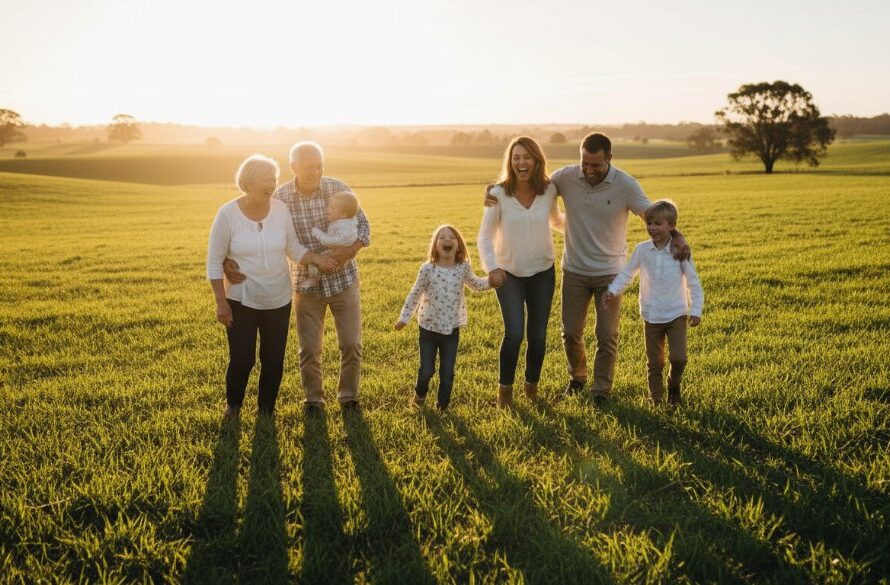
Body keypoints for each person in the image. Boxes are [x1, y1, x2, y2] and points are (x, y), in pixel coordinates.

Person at [485, 132, 689, 406]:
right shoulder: (565, 178)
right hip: (575, 271)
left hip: (610, 273)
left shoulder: (626, 185)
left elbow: (653, 216)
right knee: (570, 333)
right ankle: (578, 378)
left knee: (606, 335)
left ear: (609, 159)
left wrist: (677, 236)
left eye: (596, 165)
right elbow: (531, 181)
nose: (589, 170)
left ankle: (601, 390)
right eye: (585, 164)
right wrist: (493, 189)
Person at [224, 142, 371, 410]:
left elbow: (364, 225)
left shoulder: (338, 188)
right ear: (293, 168)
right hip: (306, 284)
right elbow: (257, 229)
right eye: (308, 167)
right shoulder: (280, 199)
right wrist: (227, 258)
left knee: (350, 343)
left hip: (343, 281)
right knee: (310, 349)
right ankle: (313, 400)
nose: (315, 171)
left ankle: (349, 397)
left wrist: (350, 250)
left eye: (319, 165)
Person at [207, 154, 336, 417]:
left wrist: (317, 259)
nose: (273, 184)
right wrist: (221, 303)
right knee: (242, 358)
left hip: (278, 297)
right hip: (241, 298)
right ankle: (233, 406)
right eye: (268, 179)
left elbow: (292, 247)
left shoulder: (280, 209)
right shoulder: (228, 214)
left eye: (275, 179)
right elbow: (214, 260)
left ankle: (266, 410)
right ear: (250, 181)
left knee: (273, 359)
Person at [477, 137, 564, 407]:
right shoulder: (498, 194)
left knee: (538, 335)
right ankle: (505, 393)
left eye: (527, 157)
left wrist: (585, 227)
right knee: (514, 333)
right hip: (509, 274)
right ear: (510, 161)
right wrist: (492, 268)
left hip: (542, 272)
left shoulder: (549, 190)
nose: (521, 162)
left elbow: (556, 221)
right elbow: (485, 236)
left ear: (537, 160)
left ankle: (531, 389)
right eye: (516, 157)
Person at [603, 200, 703, 406]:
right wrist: (612, 291)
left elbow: (693, 282)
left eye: (658, 224)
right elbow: (628, 273)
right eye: (649, 223)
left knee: (679, 358)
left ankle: (673, 387)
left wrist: (696, 309)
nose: (652, 228)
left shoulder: (680, 251)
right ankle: (656, 399)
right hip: (651, 315)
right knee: (654, 362)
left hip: (676, 313)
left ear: (672, 226)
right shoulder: (642, 250)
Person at [395, 225, 494, 412]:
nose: (447, 240)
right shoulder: (428, 269)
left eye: (452, 237)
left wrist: (492, 281)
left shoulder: (463, 268)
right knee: (427, 370)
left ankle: (442, 407)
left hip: (451, 329)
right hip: (428, 328)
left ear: (459, 246)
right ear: (435, 245)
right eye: (442, 238)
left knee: (447, 373)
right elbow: (414, 294)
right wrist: (404, 318)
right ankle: (420, 396)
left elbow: (476, 284)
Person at [301, 191, 360, 291]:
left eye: (332, 208)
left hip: (338, 250)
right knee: (328, 262)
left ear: (343, 214)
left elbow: (329, 241)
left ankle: (314, 279)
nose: (327, 209)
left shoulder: (343, 227)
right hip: (341, 249)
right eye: (329, 205)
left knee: (317, 262)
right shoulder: (347, 221)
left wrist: (316, 232)